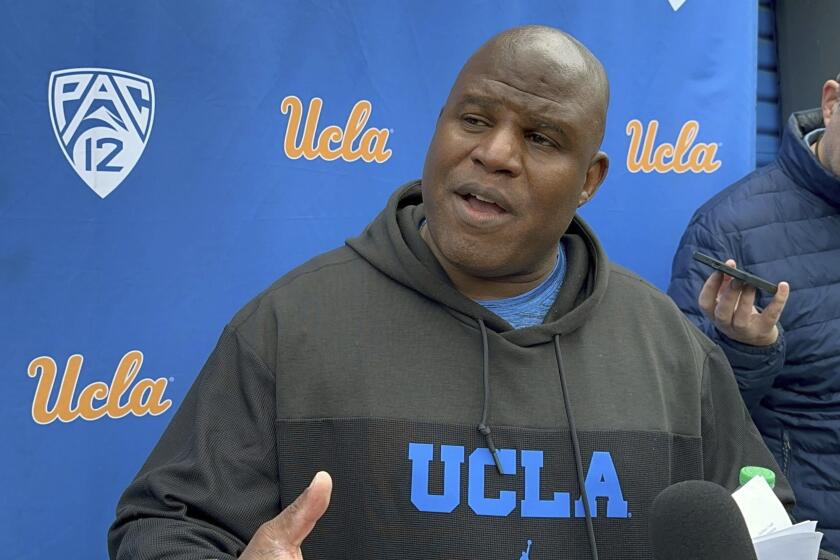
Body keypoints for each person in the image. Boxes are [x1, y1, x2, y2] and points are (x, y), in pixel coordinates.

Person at [109, 26, 796, 559]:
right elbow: (161, 526)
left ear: (590, 180)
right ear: (438, 126)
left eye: (541, 137)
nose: (496, 153)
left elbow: (767, 527)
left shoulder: (671, 353)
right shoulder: (292, 327)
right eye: (473, 119)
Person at [668, 73, 840, 553]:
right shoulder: (728, 229)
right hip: (811, 537)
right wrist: (747, 351)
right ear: (831, 103)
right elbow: (689, 416)